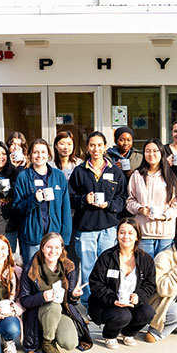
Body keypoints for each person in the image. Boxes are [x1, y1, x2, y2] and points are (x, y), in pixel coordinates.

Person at [69, 131, 128, 310]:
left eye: (99, 145)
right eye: (92, 145)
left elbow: (122, 197)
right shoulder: (79, 171)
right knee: (87, 266)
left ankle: (107, 300)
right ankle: (89, 303)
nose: (96, 149)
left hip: (108, 227)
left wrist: (110, 204)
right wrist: (83, 200)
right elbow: (70, 197)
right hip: (86, 227)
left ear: (105, 147)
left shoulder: (115, 171)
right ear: (87, 147)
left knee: (108, 266)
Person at [18, 232, 92, 353]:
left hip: (61, 312)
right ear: (42, 248)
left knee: (70, 343)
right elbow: (24, 299)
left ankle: (50, 332)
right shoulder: (30, 269)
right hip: (39, 313)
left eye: (57, 247)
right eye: (49, 247)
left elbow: (71, 301)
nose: (53, 251)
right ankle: (48, 341)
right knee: (53, 305)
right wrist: (42, 297)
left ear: (62, 249)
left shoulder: (68, 267)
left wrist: (74, 295)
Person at [88, 218, 157, 349]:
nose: (126, 236)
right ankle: (110, 335)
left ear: (137, 236)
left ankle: (128, 333)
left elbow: (150, 284)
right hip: (107, 304)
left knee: (148, 313)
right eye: (122, 232)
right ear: (117, 234)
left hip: (131, 303)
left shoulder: (146, 259)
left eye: (130, 233)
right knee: (122, 315)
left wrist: (139, 296)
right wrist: (113, 299)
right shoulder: (107, 257)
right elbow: (95, 283)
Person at [13, 138, 72, 260]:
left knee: (53, 274)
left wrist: (64, 239)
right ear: (29, 155)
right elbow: (17, 208)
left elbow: (65, 208)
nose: (39, 155)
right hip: (32, 237)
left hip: (54, 237)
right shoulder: (23, 177)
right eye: (35, 152)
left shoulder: (58, 176)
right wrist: (33, 200)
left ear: (48, 154)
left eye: (43, 152)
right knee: (32, 273)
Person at [127, 139, 177, 257]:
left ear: (162, 153)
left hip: (166, 235)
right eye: (147, 151)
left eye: (155, 151)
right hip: (143, 233)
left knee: (162, 270)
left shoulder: (170, 177)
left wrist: (164, 216)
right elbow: (129, 201)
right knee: (145, 271)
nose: (151, 154)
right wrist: (140, 208)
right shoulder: (137, 176)